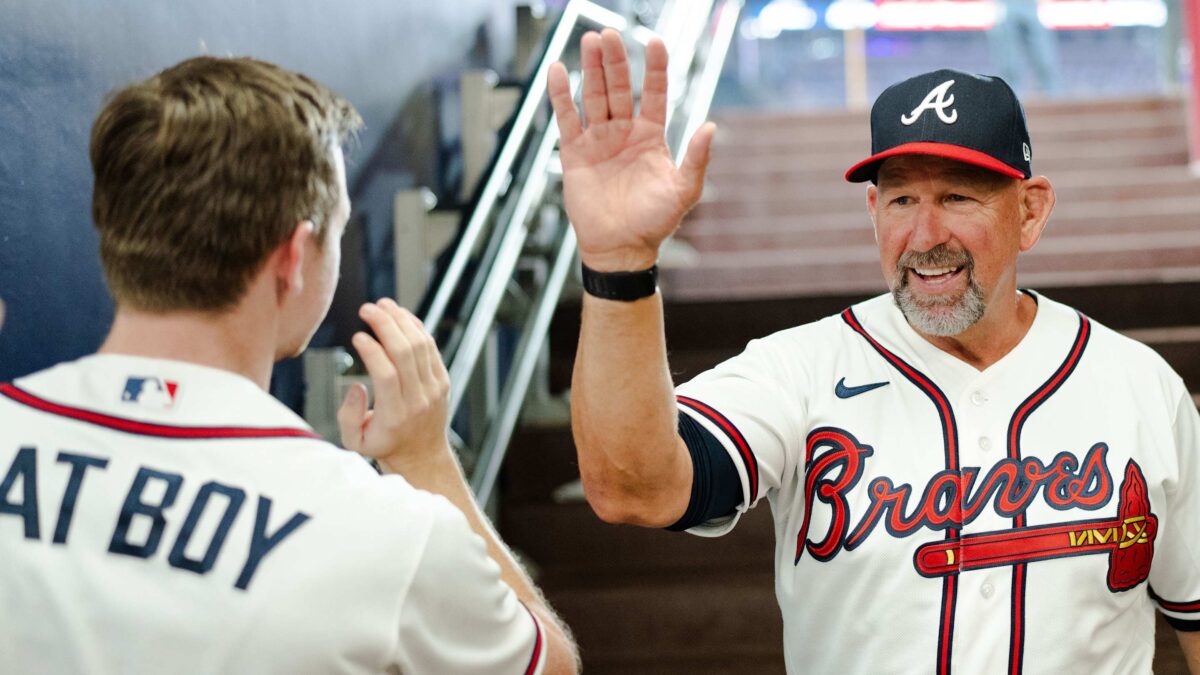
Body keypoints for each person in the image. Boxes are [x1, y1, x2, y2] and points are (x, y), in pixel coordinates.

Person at [550, 28, 1200, 673]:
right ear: (872, 208)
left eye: (957, 196)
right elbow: (632, 487)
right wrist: (619, 264)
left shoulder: (1140, 386)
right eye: (902, 199)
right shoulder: (800, 371)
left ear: (1030, 211)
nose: (925, 234)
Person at [0, 56, 578, 674]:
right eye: (337, 231)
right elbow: (551, 665)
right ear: (294, 257)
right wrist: (426, 462)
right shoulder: (389, 532)